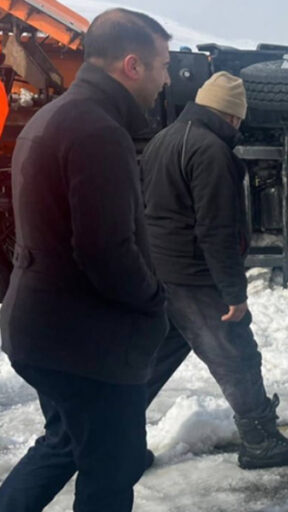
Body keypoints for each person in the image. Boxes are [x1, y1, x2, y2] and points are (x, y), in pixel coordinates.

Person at [0, 9, 170, 511]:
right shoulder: (98, 131)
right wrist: (154, 301)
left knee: (64, 445)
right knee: (112, 475)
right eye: (162, 65)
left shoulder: (61, 116)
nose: (166, 79)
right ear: (132, 65)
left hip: (47, 332)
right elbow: (106, 252)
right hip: (87, 347)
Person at [141, 72, 288, 469]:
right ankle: (260, 441)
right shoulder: (210, 150)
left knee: (155, 360)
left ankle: (116, 443)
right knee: (237, 354)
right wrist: (234, 294)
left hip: (161, 269)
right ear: (232, 115)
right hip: (195, 275)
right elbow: (216, 229)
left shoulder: (163, 140)